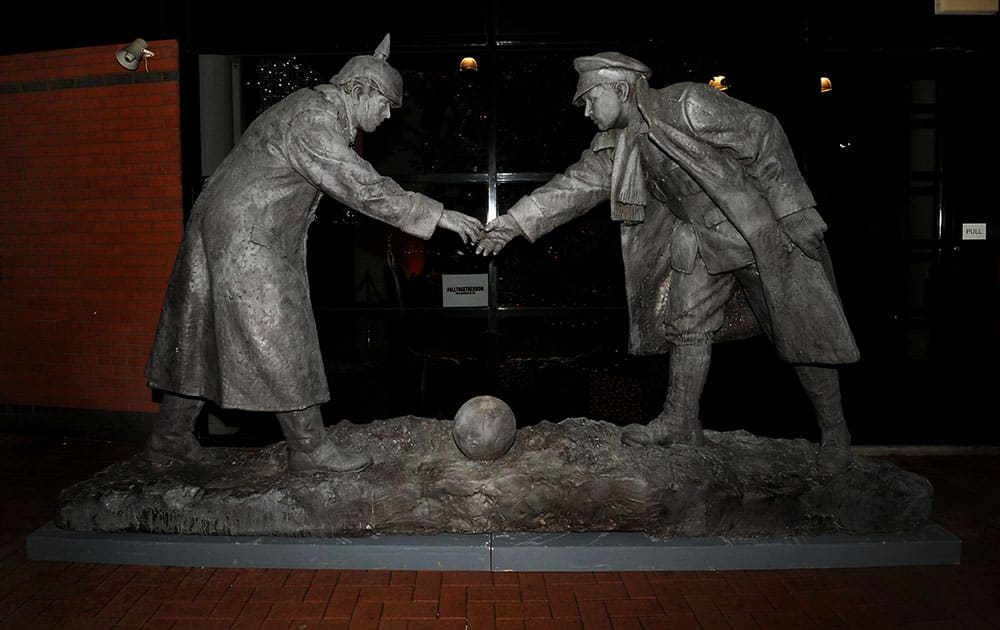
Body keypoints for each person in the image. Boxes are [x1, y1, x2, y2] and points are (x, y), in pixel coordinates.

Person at [476, 52, 858, 474]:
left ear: (620, 90)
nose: (585, 111)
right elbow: (573, 187)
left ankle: (836, 434)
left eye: (589, 99)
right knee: (686, 325)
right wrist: (510, 224)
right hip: (697, 239)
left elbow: (763, 132)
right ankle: (681, 420)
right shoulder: (621, 145)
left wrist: (793, 209)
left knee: (798, 331)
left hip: (755, 232)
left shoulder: (688, 104)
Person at [144, 34, 483, 473]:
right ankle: (308, 448)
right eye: (385, 106)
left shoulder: (308, 110)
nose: (387, 116)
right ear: (360, 90)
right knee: (285, 332)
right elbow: (360, 185)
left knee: (200, 336)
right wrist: (438, 216)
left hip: (224, 231)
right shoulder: (313, 117)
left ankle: (169, 439)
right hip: (248, 237)